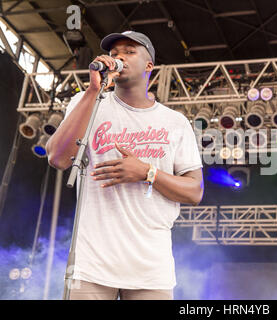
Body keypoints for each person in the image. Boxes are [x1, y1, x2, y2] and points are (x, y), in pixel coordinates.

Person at [46, 31, 204, 300]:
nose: (119, 56)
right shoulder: (88, 103)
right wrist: (93, 91)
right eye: (115, 52)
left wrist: (147, 172)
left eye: (129, 51)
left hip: (150, 269)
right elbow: (58, 158)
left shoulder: (175, 122)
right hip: (91, 265)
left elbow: (194, 191)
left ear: (149, 66)